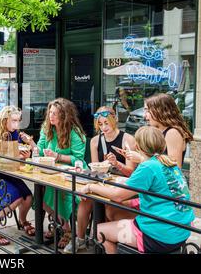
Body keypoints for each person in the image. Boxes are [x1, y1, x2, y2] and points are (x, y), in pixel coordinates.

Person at [81, 126, 195, 254]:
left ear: (138, 147)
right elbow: (163, 195)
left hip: (160, 234)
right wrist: (130, 203)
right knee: (113, 211)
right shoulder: (169, 163)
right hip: (181, 230)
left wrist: (90, 186)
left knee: (98, 231)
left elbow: (117, 195)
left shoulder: (148, 166)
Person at [63, 106, 137, 253]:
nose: (104, 127)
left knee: (109, 206)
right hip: (102, 182)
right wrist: (102, 166)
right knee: (85, 200)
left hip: (122, 186)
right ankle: (80, 239)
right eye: (100, 124)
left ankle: (107, 241)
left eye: (106, 123)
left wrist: (117, 164)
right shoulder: (95, 141)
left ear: (114, 120)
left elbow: (132, 173)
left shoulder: (128, 139)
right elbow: (94, 168)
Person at [23, 98, 87, 248]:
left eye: (55, 114)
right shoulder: (47, 127)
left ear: (64, 116)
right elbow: (39, 149)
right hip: (50, 171)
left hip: (72, 173)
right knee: (41, 197)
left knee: (60, 194)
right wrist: (32, 147)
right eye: (50, 112)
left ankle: (67, 229)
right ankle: (64, 227)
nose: (51, 116)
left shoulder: (75, 133)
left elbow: (78, 158)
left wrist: (57, 156)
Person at [0, 105, 35, 245]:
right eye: (13, 121)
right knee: (15, 196)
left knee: (28, 196)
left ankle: (23, 221)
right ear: (4, 120)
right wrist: (6, 156)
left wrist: (26, 153)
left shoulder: (14, 133)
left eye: (18, 121)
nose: (16, 124)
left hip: (8, 172)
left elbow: (30, 150)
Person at [125, 93, 193, 170]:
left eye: (147, 110)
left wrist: (141, 159)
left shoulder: (172, 133)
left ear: (160, 111)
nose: (145, 115)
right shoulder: (159, 131)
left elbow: (175, 168)